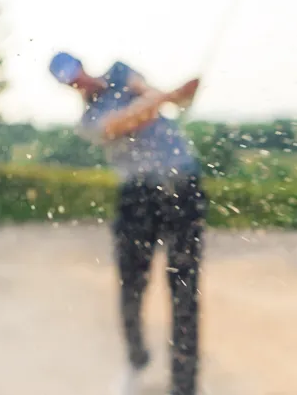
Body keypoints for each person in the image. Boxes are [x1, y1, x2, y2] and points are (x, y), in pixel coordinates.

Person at [49, 52, 207, 395]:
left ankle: (185, 385)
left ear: (82, 66)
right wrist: (168, 97)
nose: (78, 82)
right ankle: (137, 361)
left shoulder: (121, 72)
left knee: (185, 289)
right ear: (67, 87)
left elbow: (159, 99)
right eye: (70, 81)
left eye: (76, 73)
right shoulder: (90, 120)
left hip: (184, 185)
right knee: (131, 287)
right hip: (138, 194)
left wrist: (184, 93)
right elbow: (133, 118)